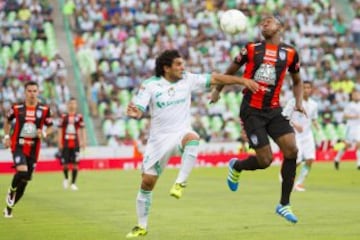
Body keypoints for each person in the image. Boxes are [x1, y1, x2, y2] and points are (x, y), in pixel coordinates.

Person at [125, 49, 260, 238]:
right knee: (147, 183)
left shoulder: (188, 79)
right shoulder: (150, 85)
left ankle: (180, 182)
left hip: (181, 133)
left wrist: (243, 81)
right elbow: (139, 108)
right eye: (178, 64)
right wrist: (135, 113)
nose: (183, 67)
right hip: (159, 140)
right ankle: (141, 226)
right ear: (166, 68)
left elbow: (216, 78)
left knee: (193, 138)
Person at [210, 14, 305, 224]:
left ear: (280, 26)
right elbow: (231, 71)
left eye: (269, 20)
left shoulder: (290, 53)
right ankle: (237, 166)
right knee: (265, 161)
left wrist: (299, 101)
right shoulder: (251, 49)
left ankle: (284, 204)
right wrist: (218, 90)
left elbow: (297, 81)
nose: (264, 23)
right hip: (252, 111)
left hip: (273, 110)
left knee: (292, 150)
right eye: (262, 21)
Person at [2, 81, 53, 218]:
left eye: (34, 91)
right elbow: (7, 120)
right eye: (29, 91)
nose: (32, 94)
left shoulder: (44, 110)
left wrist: (44, 133)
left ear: (38, 92)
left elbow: (50, 126)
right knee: (22, 170)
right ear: (25, 92)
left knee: (25, 181)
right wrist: (7, 136)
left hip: (33, 149)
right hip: (18, 145)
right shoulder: (17, 108)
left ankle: (9, 208)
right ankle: (11, 190)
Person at [282, 81, 319, 191]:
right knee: (296, 161)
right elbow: (284, 116)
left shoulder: (314, 104)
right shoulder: (293, 102)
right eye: (304, 88)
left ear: (311, 89)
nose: (307, 90)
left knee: (310, 159)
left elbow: (313, 118)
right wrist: (295, 124)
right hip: (295, 134)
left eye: (308, 88)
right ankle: (284, 173)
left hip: (308, 135)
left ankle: (299, 183)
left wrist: (317, 126)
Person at [58, 97, 86, 190]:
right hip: (65, 144)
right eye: (71, 103)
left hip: (76, 144)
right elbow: (60, 129)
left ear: (76, 105)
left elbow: (82, 129)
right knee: (65, 164)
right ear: (68, 105)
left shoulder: (79, 117)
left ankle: (73, 183)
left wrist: (83, 141)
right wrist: (59, 142)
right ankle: (66, 178)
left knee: (75, 164)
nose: (72, 105)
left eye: (74, 103)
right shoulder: (63, 117)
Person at [333, 90, 360, 170]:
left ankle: (359, 164)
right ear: (352, 96)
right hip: (351, 127)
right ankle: (337, 159)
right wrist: (354, 117)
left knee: (359, 143)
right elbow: (344, 116)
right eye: (355, 95)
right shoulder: (349, 105)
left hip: (359, 127)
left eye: (358, 94)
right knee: (347, 146)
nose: (356, 96)